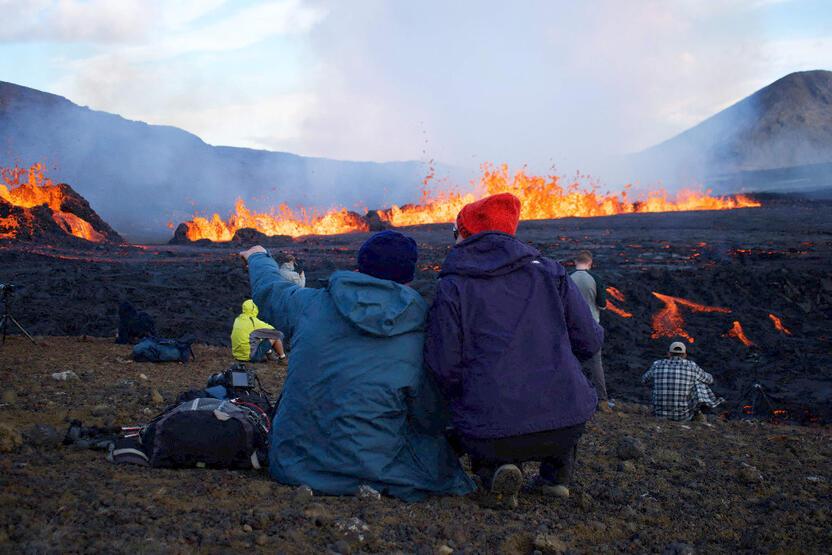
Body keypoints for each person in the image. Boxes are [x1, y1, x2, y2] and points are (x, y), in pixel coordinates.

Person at [239, 232, 475, 502]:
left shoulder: (310, 304)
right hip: (375, 470)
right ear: (408, 278)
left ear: (359, 267)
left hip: (295, 464)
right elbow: (427, 416)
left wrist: (258, 256)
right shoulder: (422, 327)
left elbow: (270, 291)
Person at [424, 193, 603, 509]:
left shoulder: (453, 286)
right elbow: (589, 341)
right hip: (565, 423)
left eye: (456, 233)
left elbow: (444, 365)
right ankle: (557, 476)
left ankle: (497, 470)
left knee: (482, 410)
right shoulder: (551, 272)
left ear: (465, 234)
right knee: (561, 391)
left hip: (492, 429)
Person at [569, 250, 611, 412]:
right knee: (596, 363)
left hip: (570, 326)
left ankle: (570, 397)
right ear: (590, 263)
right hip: (591, 326)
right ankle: (602, 400)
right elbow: (602, 305)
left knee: (570, 361)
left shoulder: (567, 277)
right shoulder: (595, 278)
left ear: (575, 261)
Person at [641, 342, 724, 421]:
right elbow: (710, 380)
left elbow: (644, 380)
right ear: (684, 355)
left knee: (659, 382)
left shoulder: (657, 364)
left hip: (659, 414)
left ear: (669, 354)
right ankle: (702, 410)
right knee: (698, 383)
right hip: (683, 416)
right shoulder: (691, 366)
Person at [231, 299, 288, 366]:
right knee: (274, 336)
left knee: (257, 335)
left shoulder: (238, 319)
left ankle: (270, 355)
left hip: (237, 355)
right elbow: (277, 333)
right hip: (250, 357)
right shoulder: (254, 322)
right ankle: (282, 358)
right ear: (254, 309)